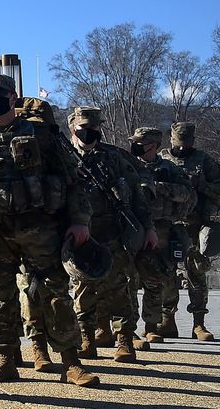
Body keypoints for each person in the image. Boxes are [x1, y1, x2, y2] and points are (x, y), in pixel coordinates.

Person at [0, 75, 99, 387]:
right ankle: (4, 357)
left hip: (40, 225)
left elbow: (74, 180)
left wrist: (80, 221)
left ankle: (71, 361)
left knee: (55, 293)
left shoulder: (41, 134)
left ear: (13, 98)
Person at [65, 108, 155, 363]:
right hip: (79, 232)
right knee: (82, 288)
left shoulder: (114, 157)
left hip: (113, 230)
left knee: (119, 287)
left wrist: (148, 228)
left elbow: (138, 195)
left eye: (95, 128)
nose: (90, 133)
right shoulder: (63, 156)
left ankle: (125, 340)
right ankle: (87, 339)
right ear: (73, 127)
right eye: (84, 127)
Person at [128, 127, 195, 346]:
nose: (136, 145)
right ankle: (128, 328)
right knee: (129, 280)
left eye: (141, 142)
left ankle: (151, 326)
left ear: (153, 145)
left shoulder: (169, 168)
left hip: (162, 230)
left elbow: (188, 195)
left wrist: (161, 188)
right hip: (132, 228)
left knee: (155, 280)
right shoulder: (128, 165)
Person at [159, 122, 220, 341]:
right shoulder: (162, 159)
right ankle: (167, 320)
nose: (182, 148)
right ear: (171, 139)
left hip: (195, 226)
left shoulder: (204, 161)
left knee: (196, 272)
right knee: (166, 273)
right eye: (178, 143)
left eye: (186, 144)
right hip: (168, 225)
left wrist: (202, 184)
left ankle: (199, 323)